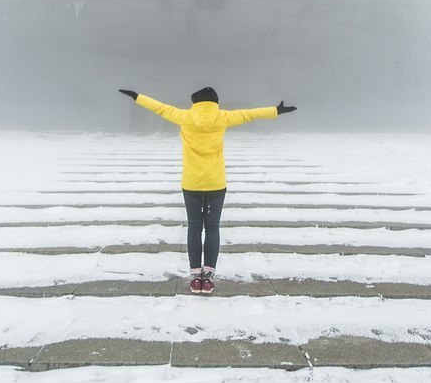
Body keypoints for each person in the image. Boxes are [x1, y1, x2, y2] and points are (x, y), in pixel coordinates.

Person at [118, 86, 297, 294]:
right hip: (216, 182)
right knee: (212, 228)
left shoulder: (184, 117)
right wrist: (276, 110)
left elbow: (160, 108)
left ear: (196, 102)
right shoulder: (222, 118)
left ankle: (196, 277)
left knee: (194, 228)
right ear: (214, 103)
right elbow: (250, 114)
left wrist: (137, 97)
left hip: (192, 182)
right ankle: (209, 278)